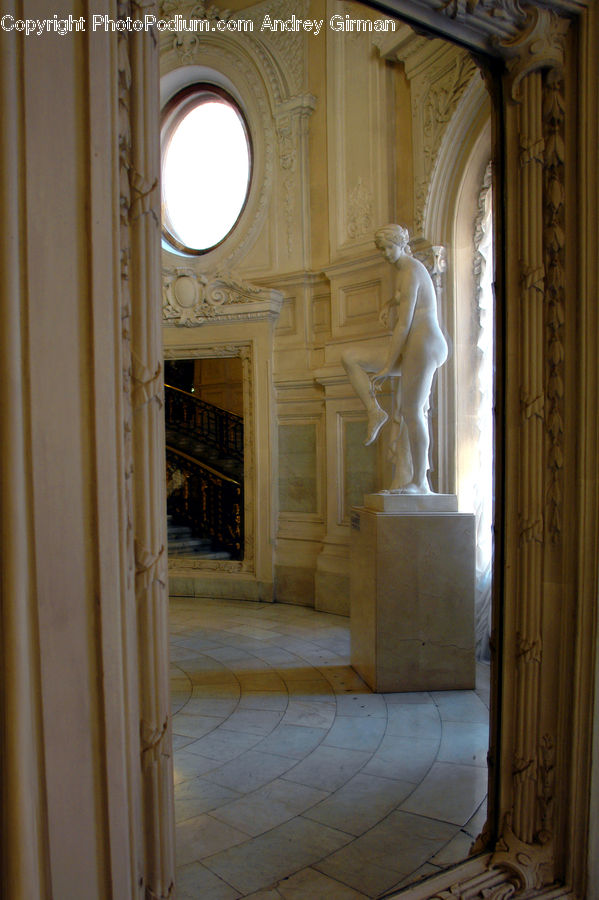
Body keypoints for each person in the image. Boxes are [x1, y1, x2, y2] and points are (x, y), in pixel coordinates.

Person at [341, 224, 447, 494]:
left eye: (390, 247)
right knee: (350, 357)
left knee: (413, 411)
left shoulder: (411, 270)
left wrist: (389, 365)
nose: (386, 254)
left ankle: (420, 483)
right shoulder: (403, 273)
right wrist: (389, 303)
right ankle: (375, 411)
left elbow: (404, 324)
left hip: (424, 343)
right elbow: (406, 301)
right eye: (382, 249)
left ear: (401, 244)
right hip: (415, 345)